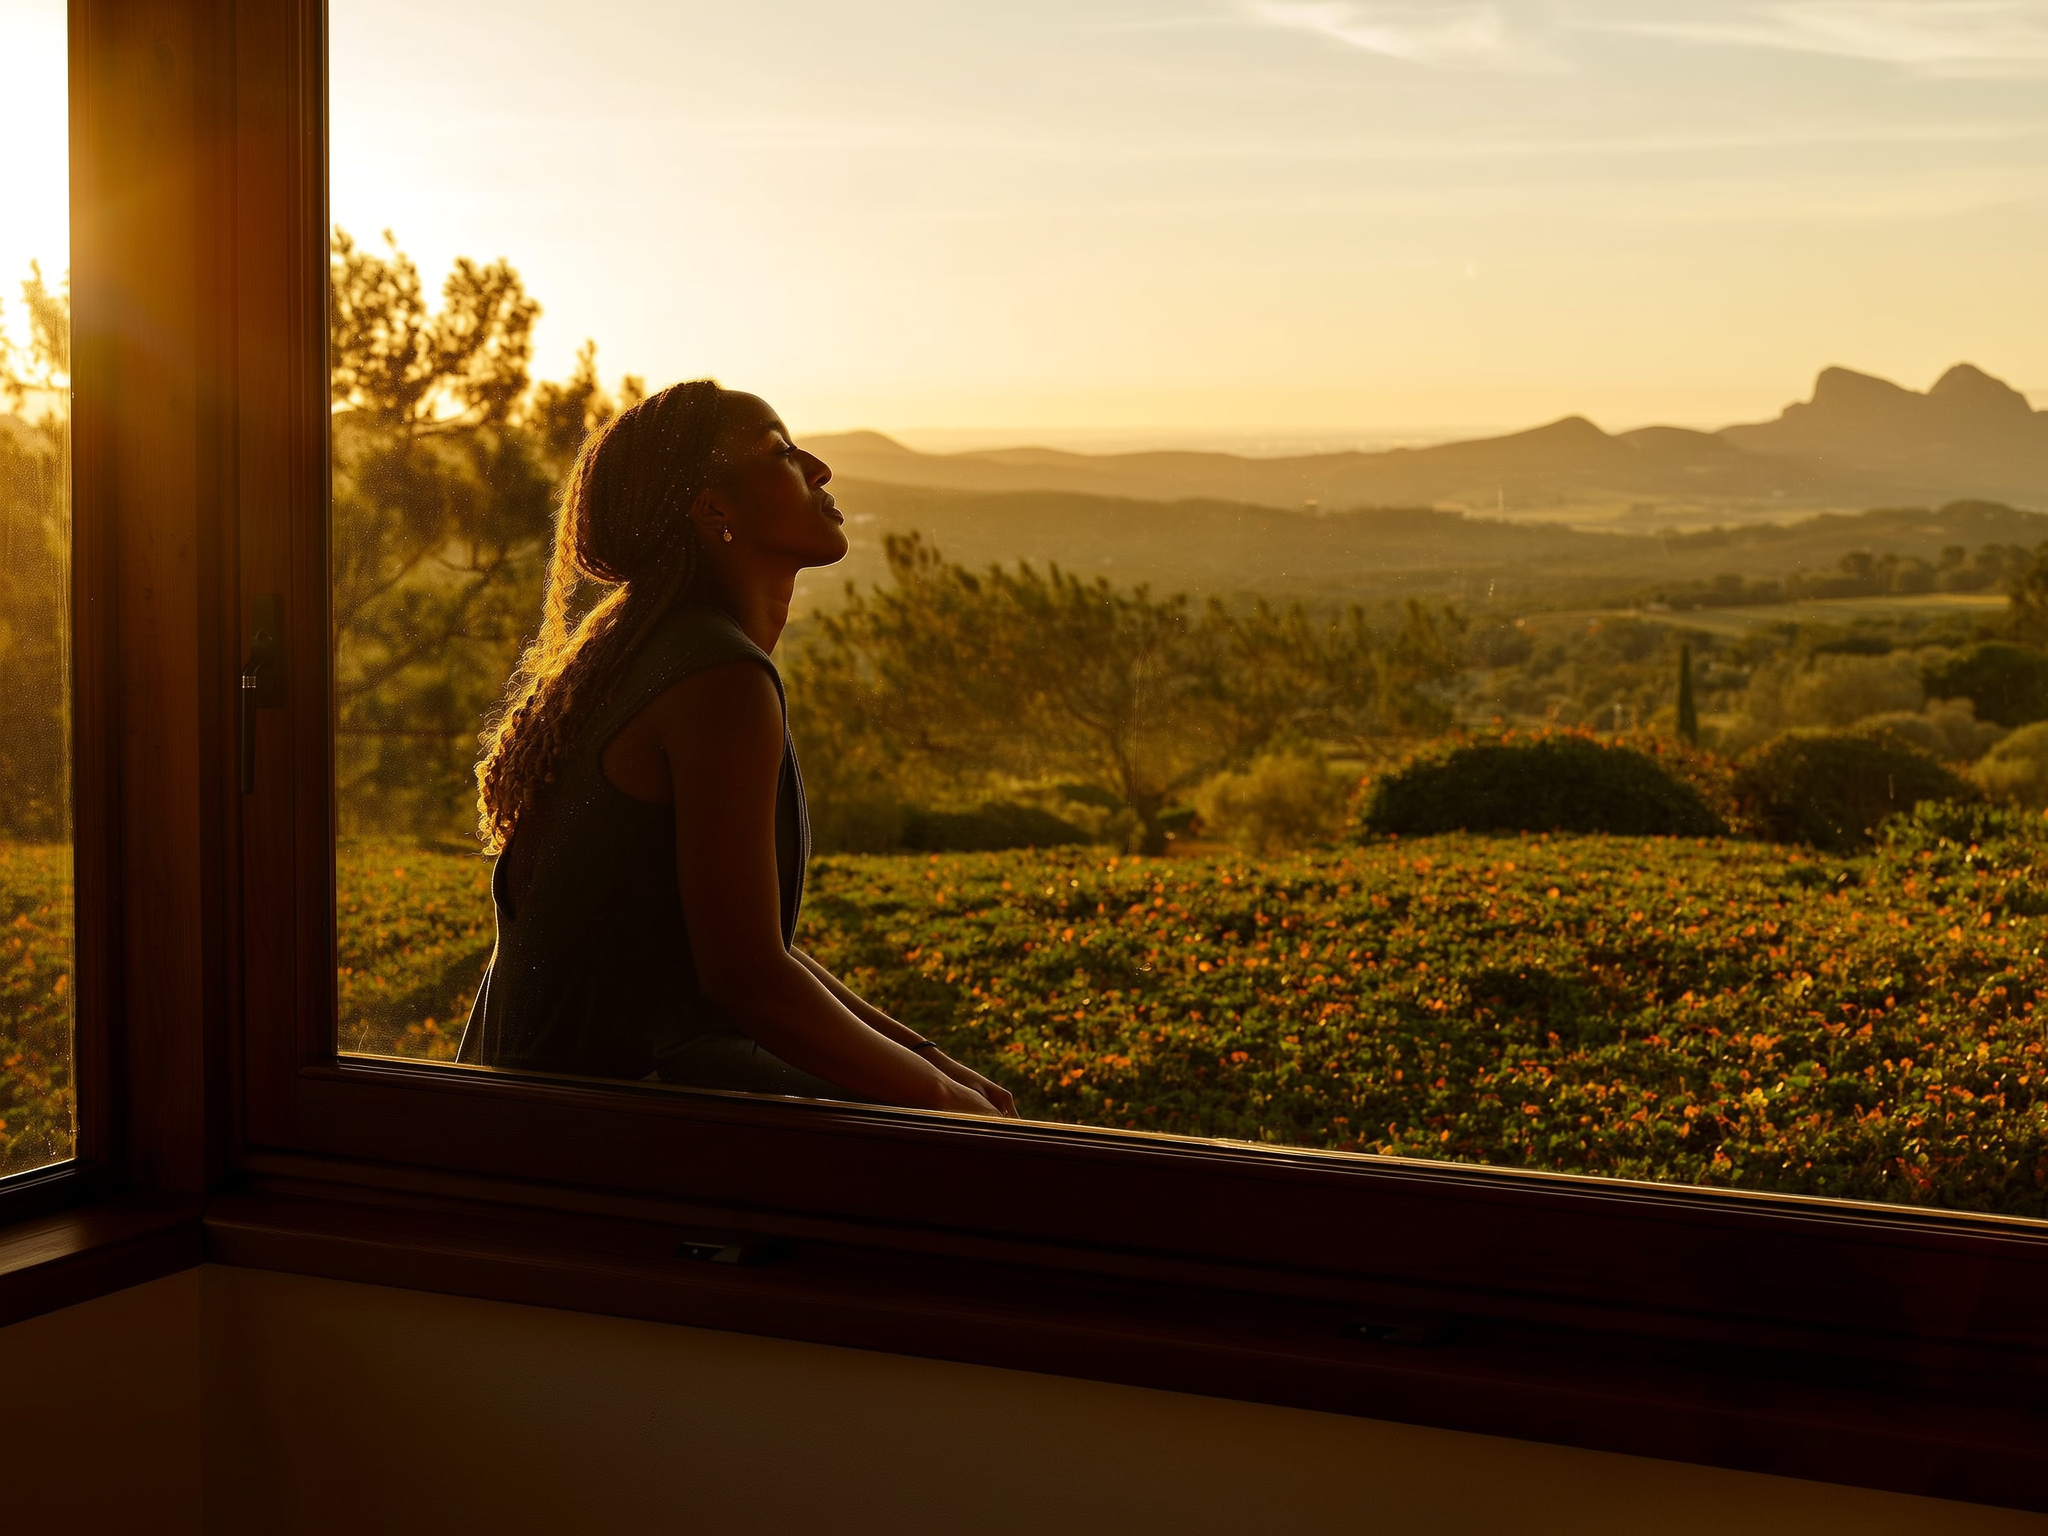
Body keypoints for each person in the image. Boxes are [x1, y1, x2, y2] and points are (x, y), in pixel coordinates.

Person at [457, 380, 1015, 1117]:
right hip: (596, 1111)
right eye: (781, 452)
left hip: (535, 1093)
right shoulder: (718, 678)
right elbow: (746, 978)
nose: (818, 467)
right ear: (713, 508)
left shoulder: (652, 651)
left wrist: (932, 1062)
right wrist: (948, 1102)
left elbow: (746, 945)